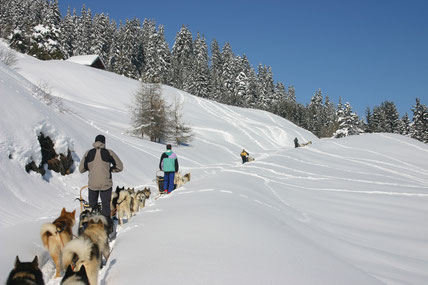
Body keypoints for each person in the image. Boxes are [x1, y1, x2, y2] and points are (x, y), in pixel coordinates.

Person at [79, 134, 123, 225]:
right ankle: (106, 226)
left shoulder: (88, 153)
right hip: (105, 184)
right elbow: (120, 167)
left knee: (92, 206)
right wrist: (110, 169)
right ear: (104, 143)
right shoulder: (109, 152)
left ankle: (92, 224)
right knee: (105, 205)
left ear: (95, 142)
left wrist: (91, 169)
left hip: (92, 184)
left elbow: (81, 169)